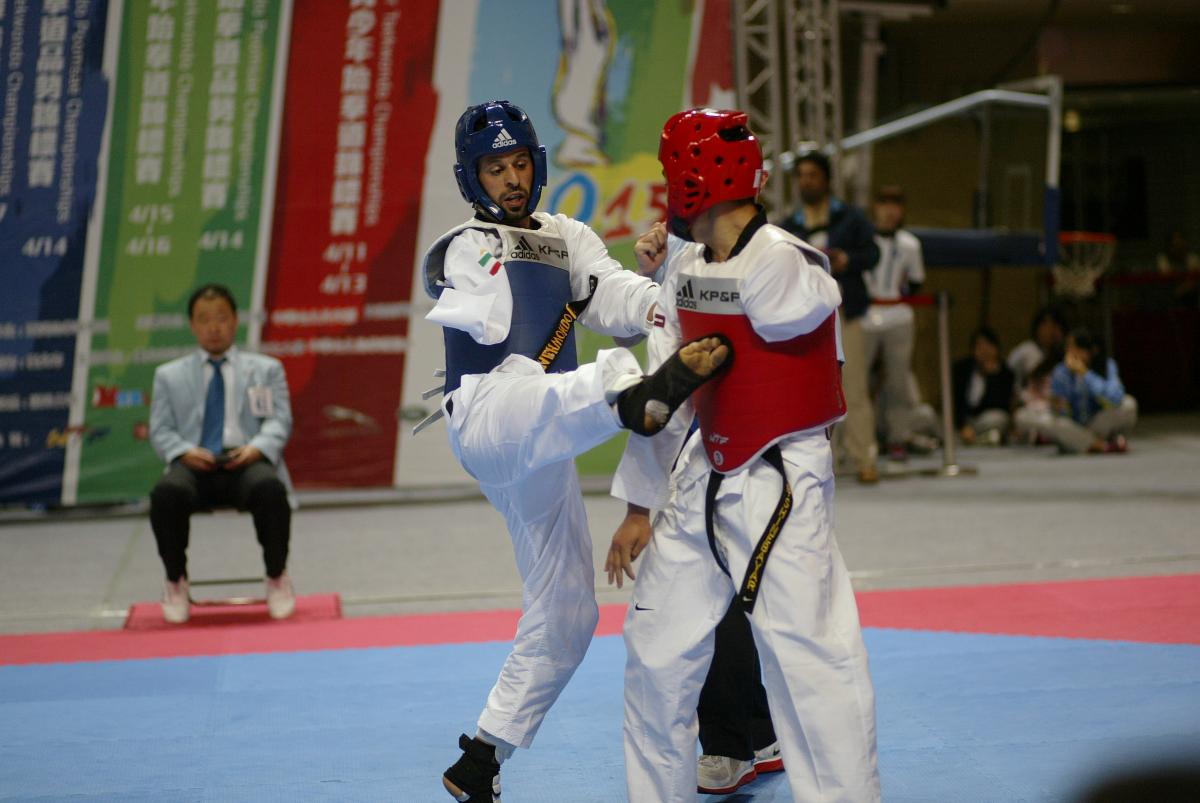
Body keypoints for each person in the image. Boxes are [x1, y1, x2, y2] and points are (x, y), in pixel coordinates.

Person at [422, 100, 731, 803]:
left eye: (520, 163)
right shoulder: (463, 243)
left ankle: (481, 754)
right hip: (492, 416)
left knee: (568, 609)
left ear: (538, 164)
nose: (510, 179)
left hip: (549, 439)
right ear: (472, 178)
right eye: (495, 169)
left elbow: (609, 291)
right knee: (574, 379)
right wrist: (471, 285)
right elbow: (463, 290)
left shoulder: (567, 236)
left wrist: (662, 301)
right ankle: (634, 398)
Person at [608, 108, 880, 803]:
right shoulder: (687, 267)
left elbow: (797, 306)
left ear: (694, 180)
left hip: (779, 473)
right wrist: (640, 502)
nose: (667, 189)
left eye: (673, 175)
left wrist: (691, 260)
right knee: (656, 651)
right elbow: (665, 390)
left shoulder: (787, 262)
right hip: (701, 465)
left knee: (808, 657)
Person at [149, 284, 296, 623]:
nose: (213, 327)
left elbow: (279, 421)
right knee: (166, 494)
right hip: (194, 462)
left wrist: (257, 447)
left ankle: (277, 577)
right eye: (204, 319)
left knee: (270, 490)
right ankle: (175, 581)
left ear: (235, 321)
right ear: (192, 325)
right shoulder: (168, 376)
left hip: (245, 460)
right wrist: (184, 451)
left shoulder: (266, 369)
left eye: (221, 318)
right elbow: (160, 430)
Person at [779, 151, 881, 482]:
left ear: (826, 179)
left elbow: (873, 253)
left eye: (812, 175)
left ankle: (864, 458)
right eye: (801, 176)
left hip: (845, 311)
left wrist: (847, 260)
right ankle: (824, 462)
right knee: (811, 390)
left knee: (854, 387)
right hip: (806, 317)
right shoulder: (787, 225)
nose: (806, 182)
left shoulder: (851, 219)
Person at [862, 185, 928, 459]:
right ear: (874, 208)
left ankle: (897, 437)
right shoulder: (863, 240)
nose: (890, 211)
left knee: (898, 382)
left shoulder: (910, 245)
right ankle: (858, 441)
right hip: (865, 317)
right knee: (855, 382)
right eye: (884, 204)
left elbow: (916, 282)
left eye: (895, 205)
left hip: (898, 316)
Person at [1016, 328, 1137, 454]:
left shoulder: (1106, 365)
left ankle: (1082, 442)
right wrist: (1058, 405)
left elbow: (1115, 397)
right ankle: (1103, 446)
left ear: (1092, 350)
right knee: (1028, 417)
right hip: (1073, 425)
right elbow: (1062, 412)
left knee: (1129, 404)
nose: (1071, 353)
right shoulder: (1061, 371)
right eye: (1068, 348)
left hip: (1097, 423)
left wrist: (1085, 374)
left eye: (1076, 349)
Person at [951, 327, 1015, 445]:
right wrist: (962, 426)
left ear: (996, 348)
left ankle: (976, 440)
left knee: (999, 418)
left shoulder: (1005, 373)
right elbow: (955, 401)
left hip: (984, 421)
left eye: (988, 346)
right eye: (979, 346)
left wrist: (992, 377)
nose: (984, 351)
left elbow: (1001, 406)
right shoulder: (961, 369)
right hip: (963, 420)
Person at [1008, 305, 1068, 390]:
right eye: (1045, 325)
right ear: (1037, 327)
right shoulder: (1026, 351)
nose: (1050, 331)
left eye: (1054, 326)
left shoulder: (1062, 354)